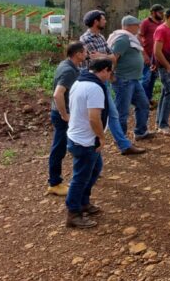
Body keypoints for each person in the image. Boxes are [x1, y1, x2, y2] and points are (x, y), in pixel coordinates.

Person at [79, 10, 145, 155]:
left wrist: (103, 57)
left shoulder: (101, 37)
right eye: (103, 19)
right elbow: (94, 62)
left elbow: (112, 58)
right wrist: (105, 57)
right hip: (93, 82)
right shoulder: (85, 39)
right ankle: (112, 144)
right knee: (106, 114)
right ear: (96, 21)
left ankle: (122, 144)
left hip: (104, 81)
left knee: (112, 114)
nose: (105, 21)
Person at [64, 58, 114, 229]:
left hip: (78, 136)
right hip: (86, 140)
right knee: (81, 177)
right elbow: (94, 117)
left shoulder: (80, 81)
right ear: (105, 70)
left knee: (95, 169)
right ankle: (74, 213)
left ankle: (83, 202)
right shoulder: (94, 88)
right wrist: (101, 137)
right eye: (110, 72)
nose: (110, 75)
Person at [47, 42, 87, 197]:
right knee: (59, 148)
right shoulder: (69, 70)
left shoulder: (67, 64)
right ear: (77, 54)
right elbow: (57, 94)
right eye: (84, 52)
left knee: (63, 146)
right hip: (62, 115)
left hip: (62, 114)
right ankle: (54, 183)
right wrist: (65, 115)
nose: (86, 55)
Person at [108, 16, 153, 146]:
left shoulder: (129, 38)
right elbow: (114, 58)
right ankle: (120, 139)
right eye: (136, 25)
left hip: (133, 79)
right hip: (123, 80)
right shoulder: (123, 39)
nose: (138, 27)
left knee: (143, 104)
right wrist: (111, 75)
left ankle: (140, 132)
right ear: (129, 25)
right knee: (122, 111)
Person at [153, 8, 170, 135]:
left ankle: (160, 121)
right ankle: (163, 125)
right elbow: (157, 51)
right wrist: (167, 66)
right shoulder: (161, 29)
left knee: (166, 92)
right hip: (166, 67)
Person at [139, 4, 164, 108]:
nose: (162, 14)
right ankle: (142, 101)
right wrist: (144, 54)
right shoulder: (145, 22)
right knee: (145, 79)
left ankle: (148, 99)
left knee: (152, 79)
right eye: (160, 12)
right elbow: (139, 37)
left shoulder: (162, 23)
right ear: (153, 12)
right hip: (148, 55)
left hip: (157, 56)